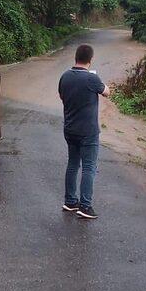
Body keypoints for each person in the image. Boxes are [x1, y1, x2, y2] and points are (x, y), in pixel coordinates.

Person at [58, 43, 110, 219]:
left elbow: (61, 96)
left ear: (76, 58)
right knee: (89, 167)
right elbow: (106, 92)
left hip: (70, 128)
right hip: (88, 131)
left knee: (73, 163)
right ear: (90, 60)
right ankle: (85, 206)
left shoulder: (64, 77)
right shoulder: (91, 79)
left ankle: (70, 201)